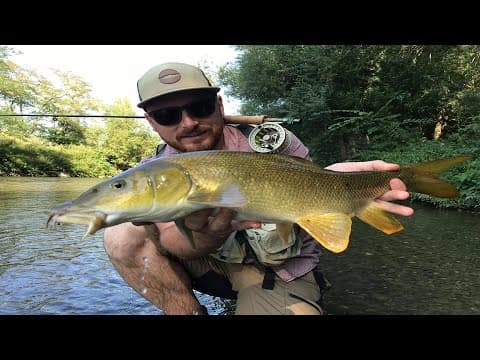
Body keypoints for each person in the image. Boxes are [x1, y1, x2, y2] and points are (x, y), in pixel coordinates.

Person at [103, 62, 413, 315]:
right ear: (151, 121)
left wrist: (345, 188)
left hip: (275, 270)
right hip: (208, 264)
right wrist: (208, 233)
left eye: (199, 107)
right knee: (120, 232)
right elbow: (174, 240)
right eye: (167, 115)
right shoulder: (154, 172)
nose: (188, 123)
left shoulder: (272, 143)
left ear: (219, 104)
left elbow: (316, 184)